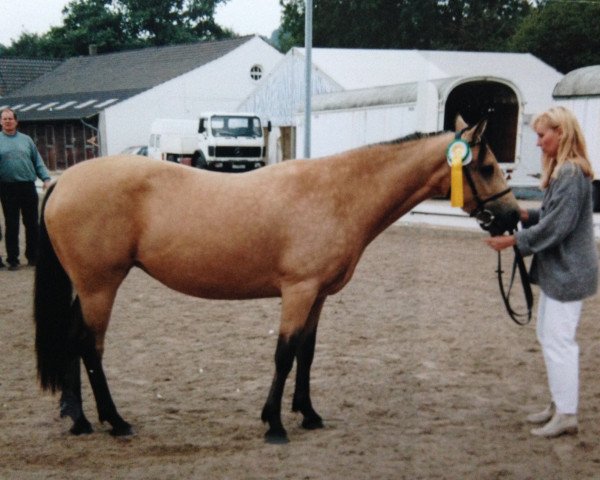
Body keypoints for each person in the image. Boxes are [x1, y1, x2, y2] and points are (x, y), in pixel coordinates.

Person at [485, 106, 598, 438]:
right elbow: (553, 216)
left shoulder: (572, 174)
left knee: (559, 341)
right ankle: (560, 403)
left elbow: (558, 227)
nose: (537, 143)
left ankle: (567, 413)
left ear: (560, 133)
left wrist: (513, 242)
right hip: (561, 271)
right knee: (549, 338)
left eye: (541, 135)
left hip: (569, 271)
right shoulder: (566, 172)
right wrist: (524, 214)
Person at [0, 108, 52, 271]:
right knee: (12, 224)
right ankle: (13, 259)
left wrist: (46, 178)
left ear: (16, 121)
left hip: (27, 186)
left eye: (10, 119)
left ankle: (33, 256)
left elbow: (37, 161)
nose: (8, 121)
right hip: (7, 187)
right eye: (4, 119)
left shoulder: (26, 140)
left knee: (32, 223)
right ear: (0, 121)